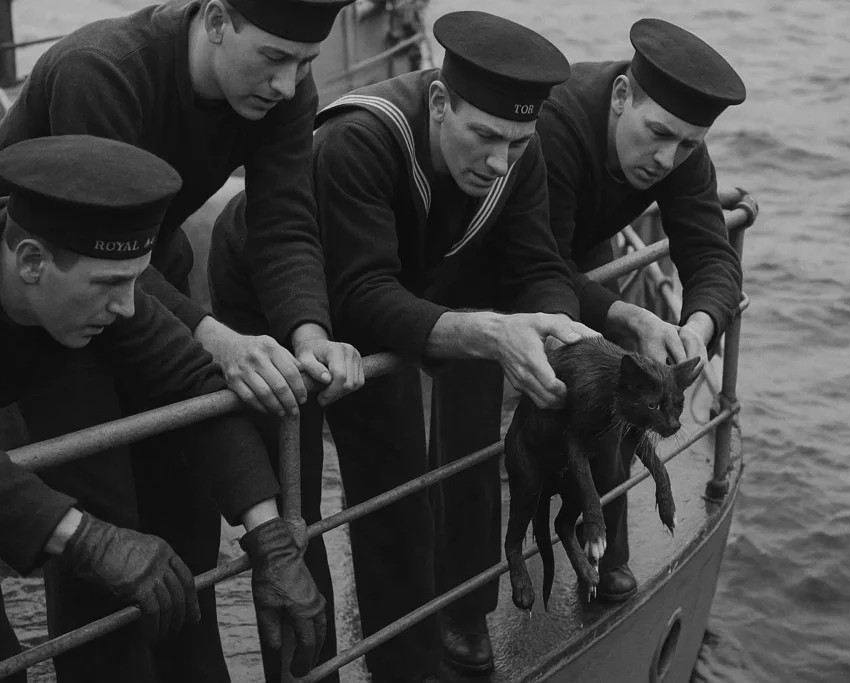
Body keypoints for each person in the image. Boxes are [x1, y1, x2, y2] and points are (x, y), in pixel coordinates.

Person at [208, 10, 596, 680]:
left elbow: (538, 265)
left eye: (519, 143)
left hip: (386, 304)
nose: (501, 160)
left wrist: (564, 331)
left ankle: (405, 666)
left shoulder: (511, 155)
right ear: (440, 104)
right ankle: (306, 671)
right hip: (274, 297)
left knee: (396, 500)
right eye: (485, 137)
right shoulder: (360, 138)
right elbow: (358, 292)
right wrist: (488, 332)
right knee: (292, 517)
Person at [0, 1, 363, 678]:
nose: (287, 84)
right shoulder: (101, 72)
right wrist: (85, 535)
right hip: (65, 284)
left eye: (304, 63)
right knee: (99, 517)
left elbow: (281, 221)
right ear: (218, 19)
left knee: (183, 513)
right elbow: (89, 250)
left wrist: (268, 536)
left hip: (109, 274)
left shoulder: (120, 284)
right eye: (273, 58)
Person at [536, 18, 745, 601]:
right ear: (622, 95)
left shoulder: (680, 151)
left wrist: (696, 329)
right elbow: (536, 266)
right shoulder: (555, 124)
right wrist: (624, 315)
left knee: (612, 392)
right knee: (481, 408)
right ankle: (465, 606)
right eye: (657, 134)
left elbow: (713, 259)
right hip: (508, 253)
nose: (666, 158)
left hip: (584, 250)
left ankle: (610, 555)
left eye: (686, 144)